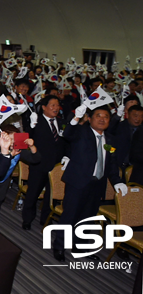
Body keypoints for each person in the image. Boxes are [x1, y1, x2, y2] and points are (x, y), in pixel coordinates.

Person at [52, 106, 127, 262]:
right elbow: (67, 134)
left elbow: (111, 164)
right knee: (69, 215)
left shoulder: (110, 139)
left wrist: (117, 182)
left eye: (106, 116)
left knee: (88, 217)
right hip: (77, 183)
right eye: (98, 116)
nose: (102, 119)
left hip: (97, 184)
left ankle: (80, 246)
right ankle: (59, 246)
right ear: (90, 118)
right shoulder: (81, 133)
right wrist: (75, 119)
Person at [21, 95, 69, 230]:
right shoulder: (36, 122)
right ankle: (27, 219)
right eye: (52, 105)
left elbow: (66, 142)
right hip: (39, 164)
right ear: (44, 107)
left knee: (51, 194)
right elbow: (27, 139)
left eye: (57, 106)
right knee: (33, 193)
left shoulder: (61, 122)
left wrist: (66, 156)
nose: (56, 108)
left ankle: (45, 219)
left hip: (56, 166)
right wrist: (31, 126)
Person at [0, 125, 41, 230]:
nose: (13, 143)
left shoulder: (17, 150)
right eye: (10, 139)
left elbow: (36, 159)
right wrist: (10, 156)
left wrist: (32, 146)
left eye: (15, 139)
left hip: (2, 185)